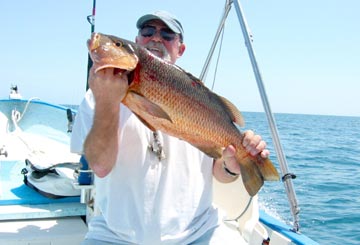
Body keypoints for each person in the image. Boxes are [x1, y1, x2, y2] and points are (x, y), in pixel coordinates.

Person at [71, 10, 270, 245]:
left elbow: (218, 172)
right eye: (147, 32)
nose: (156, 38)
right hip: (116, 236)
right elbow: (100, 167)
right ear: (137, 42)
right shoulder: (96, 97)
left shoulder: (199, 98)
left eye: (167, 34)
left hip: (198, 232)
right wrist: (107, 101)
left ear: (180, 49)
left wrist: (232, 166)